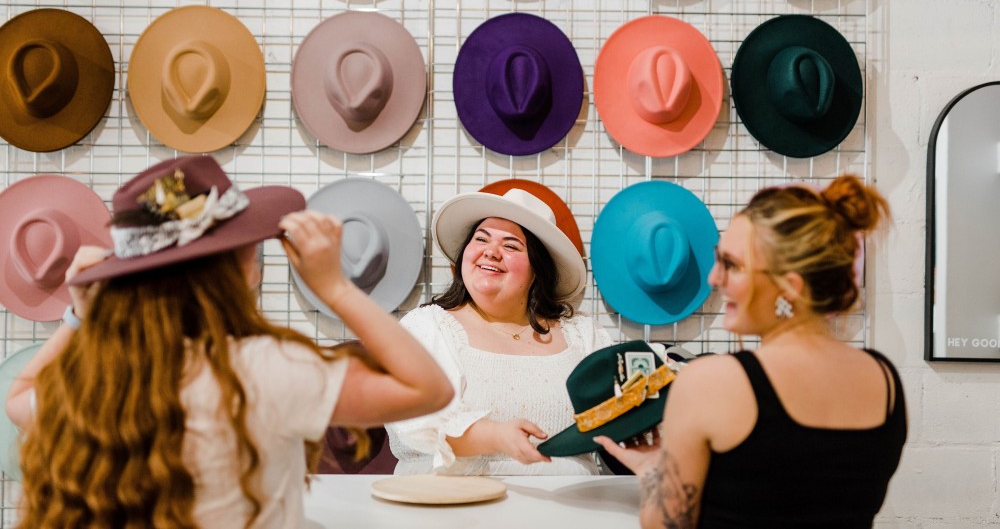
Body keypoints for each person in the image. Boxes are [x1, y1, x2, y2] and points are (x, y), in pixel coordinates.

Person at [5, 156, 453, 529]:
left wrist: (81, 315)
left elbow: (19, 396)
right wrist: (335, 287)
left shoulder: (95, 381)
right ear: (238, 270)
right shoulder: (264, 369)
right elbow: (428, 389)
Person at [597, 174, 907, 528]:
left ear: (789, 287)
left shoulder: (712, 382)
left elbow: (666, 524)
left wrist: (655, 472)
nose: (714, 278)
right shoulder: (884, 380)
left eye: (731, 264)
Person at [386, 188, 613, 475]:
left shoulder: (583, 335)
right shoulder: (427, 328)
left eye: (511, 246)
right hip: (452, 514)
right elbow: (415, 421)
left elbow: (618, 423)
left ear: (537, 271)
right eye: (480, 238)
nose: (490, 252)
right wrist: (494, 436)